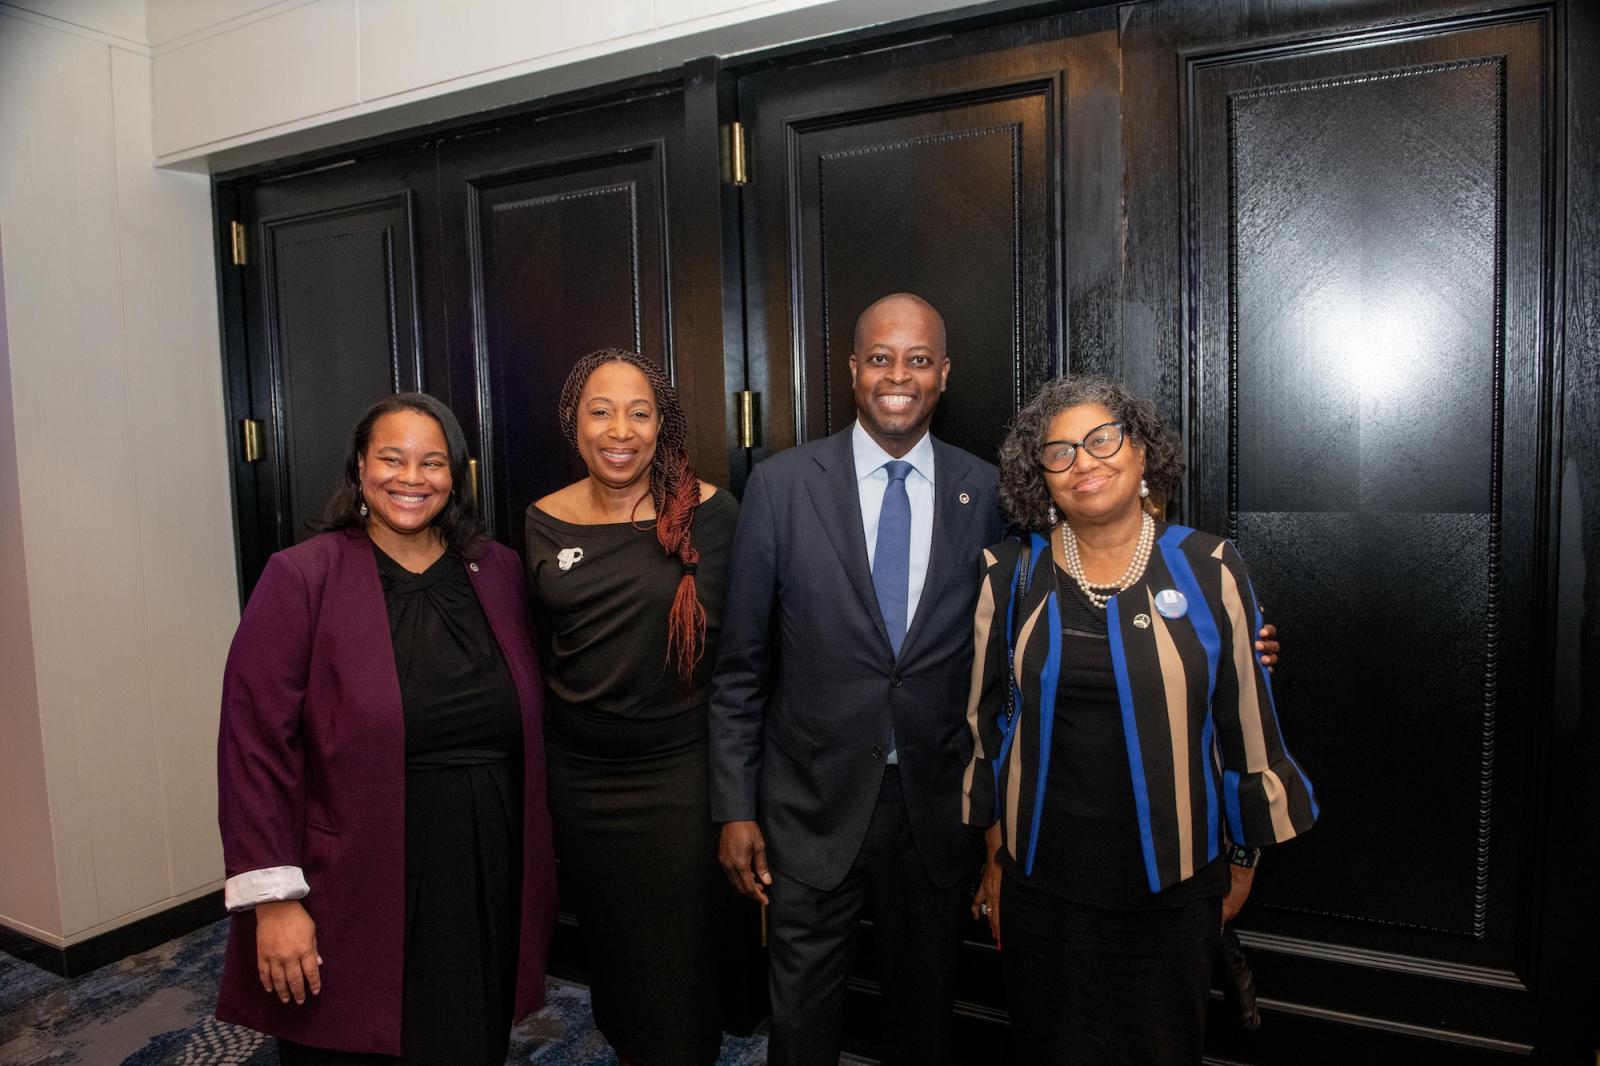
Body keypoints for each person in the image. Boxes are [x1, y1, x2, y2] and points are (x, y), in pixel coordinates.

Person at [963, 374, 1318, 1065]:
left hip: (1174, 890)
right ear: (1040, 478)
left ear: (1142, 452)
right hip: (1042, 887)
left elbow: (1246, 721)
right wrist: (995, 859)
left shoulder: (1210, 569)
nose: (1084, 462)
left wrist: (1242, 863)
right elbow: (989, 727)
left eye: (1102, 439)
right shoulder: (1009, 575)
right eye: (1059, 452)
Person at [214, 393, 558, 1064]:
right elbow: (253, 744)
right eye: (391, 459)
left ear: (455, 476)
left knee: (466, 1034)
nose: (411, 477)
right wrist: (274, 900)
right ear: (359, 469)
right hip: (357, 866)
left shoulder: (499, 572)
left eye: (432, 462)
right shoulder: (302, 576)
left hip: (483, 858)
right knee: (353, 1036)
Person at [525, 349, 740, 1066]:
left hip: (677, 769)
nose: (620, 429)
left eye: (639, 412)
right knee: (611, 936)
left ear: (662, 426)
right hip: (580, 773)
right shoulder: (541, 521)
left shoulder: (712, 515)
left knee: (676, 947)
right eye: (600, 410)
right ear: (573, 424)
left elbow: (750, 650)